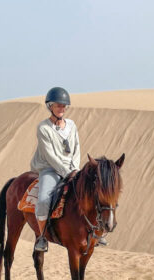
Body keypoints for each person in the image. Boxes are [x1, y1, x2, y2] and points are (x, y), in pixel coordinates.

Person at [30, 87, 107, 252]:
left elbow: (77, 148)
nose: (62, 109)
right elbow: (50, 156)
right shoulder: (43, 128)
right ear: (50, 106)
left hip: (72, 168)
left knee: (95, 193)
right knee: (43, 201)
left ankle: (98, 233)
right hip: (50, 169)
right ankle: (42, 237)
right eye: (58, 105)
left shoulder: (71, 125)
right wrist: (66, 172)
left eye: (64, 106)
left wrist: (75, 169)